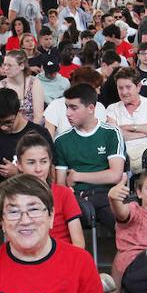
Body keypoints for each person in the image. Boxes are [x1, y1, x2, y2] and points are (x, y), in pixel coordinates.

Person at [53, 83, 126, 226]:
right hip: (76, 198)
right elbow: (61, 184)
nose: (68, 113)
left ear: (91, 108)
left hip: (106, 195)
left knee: (120, 221)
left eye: (74, 107)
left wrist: (78, 176)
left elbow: (115, 175)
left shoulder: (111, 133)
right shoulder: (61, 140)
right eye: (66, 107)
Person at [0, 88, 52, 199]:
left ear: (19, 112)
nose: (3, 127)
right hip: (5, 197)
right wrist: (4, 200)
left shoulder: (40, 134)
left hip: (37, 195)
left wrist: (18, 173)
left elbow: (50, 174)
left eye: (8, 122)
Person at [106, 67, 147, 171]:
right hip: (124, 160)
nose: (124, 92)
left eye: (128, 87)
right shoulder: (112, 109)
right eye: (120, 88)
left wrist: (131, 128)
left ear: (138, 87)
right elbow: (114, 136)